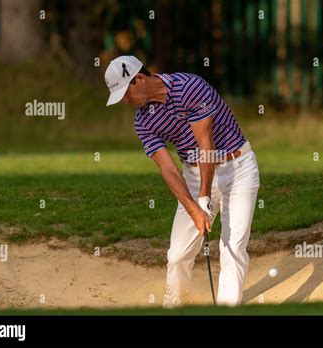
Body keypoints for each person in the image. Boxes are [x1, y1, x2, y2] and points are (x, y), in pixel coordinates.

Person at [104, 55, 260, 306]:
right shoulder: (143, 121)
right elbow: (168, 169)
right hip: (194, 174)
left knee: (232, 247)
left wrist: (205, 196)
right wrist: (194, 207)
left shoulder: (189, 87)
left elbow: (205, 144)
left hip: (238, 169)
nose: (125, 100)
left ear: (140, 79)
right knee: (177, 254)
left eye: (125, 93)